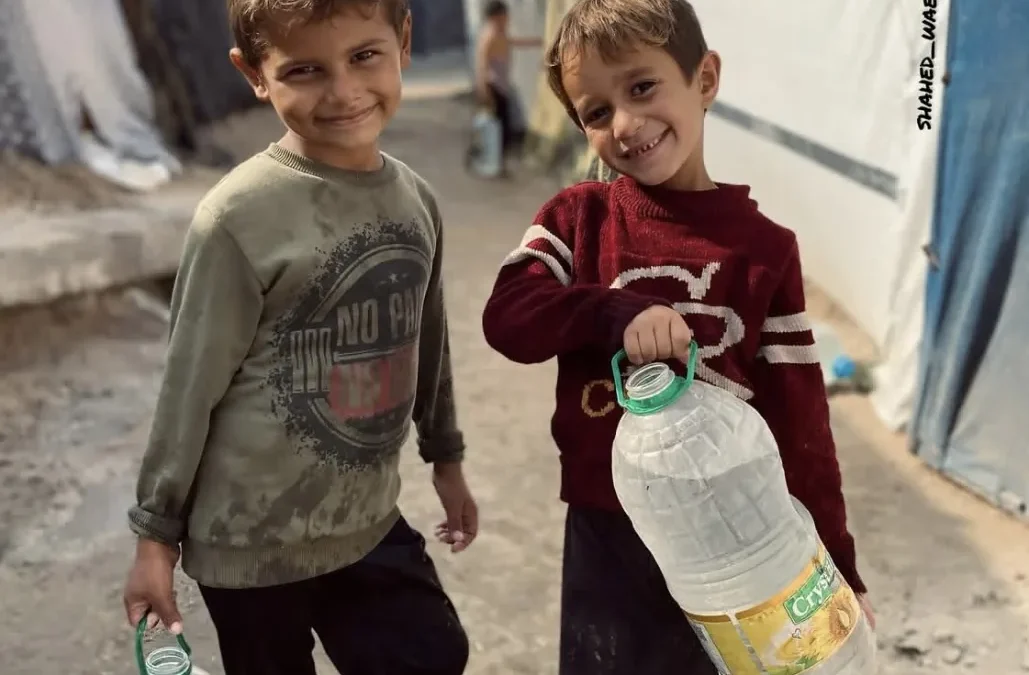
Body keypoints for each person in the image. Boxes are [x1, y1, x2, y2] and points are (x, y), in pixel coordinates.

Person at [480, 0, 874, 673]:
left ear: (705, 78)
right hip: (607, 535)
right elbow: (508, 316)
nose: (626, 125)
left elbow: (802, 427)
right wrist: (611, 313)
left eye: (641, 87)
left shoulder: (764, 251)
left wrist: (839, 567)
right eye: (597, 112)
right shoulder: (579, 219)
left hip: (734, 543)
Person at [121, 1, 478, 674]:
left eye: (363, 56)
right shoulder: (236, 216)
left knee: (431, 653)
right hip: (249, 542)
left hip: (367, 519)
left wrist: (446, 457)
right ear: (255, 73)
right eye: (306, 69)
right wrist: (153, 538)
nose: (342, 91)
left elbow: (428, 344)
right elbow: (187, 386)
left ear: (402, 42)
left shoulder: (416, 200)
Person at [473, 0, 542, 168]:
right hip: (493, 86)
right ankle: (495, 161)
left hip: (501, 86)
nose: (507, 19)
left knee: (503, 126)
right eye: (504, 16)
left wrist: (536, 42)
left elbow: (513, 42)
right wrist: (483, 90)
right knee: (501, 127)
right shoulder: (489, 35)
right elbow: (482, 64)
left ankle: (497, 161)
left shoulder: (500, 33)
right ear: (496, 17)